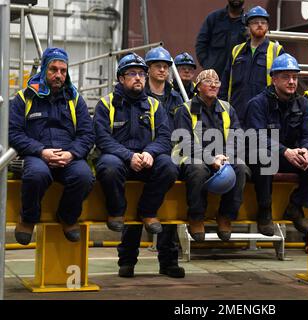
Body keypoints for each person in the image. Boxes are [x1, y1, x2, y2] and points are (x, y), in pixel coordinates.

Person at [94, 53, 184, 279]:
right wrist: (128, 156)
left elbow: (165, 137)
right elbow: (103, 139)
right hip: (119, 159)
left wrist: (149, 153)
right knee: (109, 167)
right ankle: (116, 213)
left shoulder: (154, 105)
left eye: (141, 74)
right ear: (121, 78)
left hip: (147, 160)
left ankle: (148, 211)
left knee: (170, 167)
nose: (138, 78)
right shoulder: (106, 104)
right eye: (132, 74)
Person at [9, 47, 95, 245]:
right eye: (53, 70)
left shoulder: (75, 99)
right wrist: (41, 151)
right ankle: (28, 218)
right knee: (36, 175)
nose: (58, 75)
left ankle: (67, 216)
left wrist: (72, 154)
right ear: (44, 70)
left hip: (68, 155)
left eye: (63, 71)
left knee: (84, 176)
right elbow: (13, 133)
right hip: (37, 155)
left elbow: (87, 134)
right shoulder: (25, 98)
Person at [245, 53, 308, 236]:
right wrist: (285, 151)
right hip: (264, 159)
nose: (292, 81)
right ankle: (265, 210)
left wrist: (305, 150)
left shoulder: (303, 104)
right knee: (262, 155)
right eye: (286, 77)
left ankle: (296, 206)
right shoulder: (258, 104)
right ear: (274, 79)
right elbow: (255, 137)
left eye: (294, 77)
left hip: (291, 156)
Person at [173, 69, 247, 242]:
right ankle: (196, 217)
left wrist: (225, 157)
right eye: (208, 81)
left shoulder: (227, 109)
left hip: (222, 158)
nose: (214, 84)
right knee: (198, 169)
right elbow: (185, 142)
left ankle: (226, 216)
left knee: (241, 168)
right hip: (192, 157)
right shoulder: (184, 110)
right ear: (198, 86)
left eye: (217, 82)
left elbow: (238, 137)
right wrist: (210, 159)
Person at [220, 5, 285, 124]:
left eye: (263, 22)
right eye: (255, 22)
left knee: (263, 143)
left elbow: (283, 85)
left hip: (265, 115)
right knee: (235, 143)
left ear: (267, 26)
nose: (259, 25)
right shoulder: (236, 51)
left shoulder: (277, 51)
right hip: (236, 115)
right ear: (248, 26)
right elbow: (225, 82)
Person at [195, 0, 247, 79]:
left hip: (238, 76)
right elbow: (201, 43)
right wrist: (207, 65)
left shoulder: (248, 22)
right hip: (214, 76)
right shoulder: (213, 18)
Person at [144, 46, 184, 130]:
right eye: (158, 66)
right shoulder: (140, 96)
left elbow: (182, 127)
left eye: (165, 67)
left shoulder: (176, 98)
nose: (162, 70)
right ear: (148, 69)